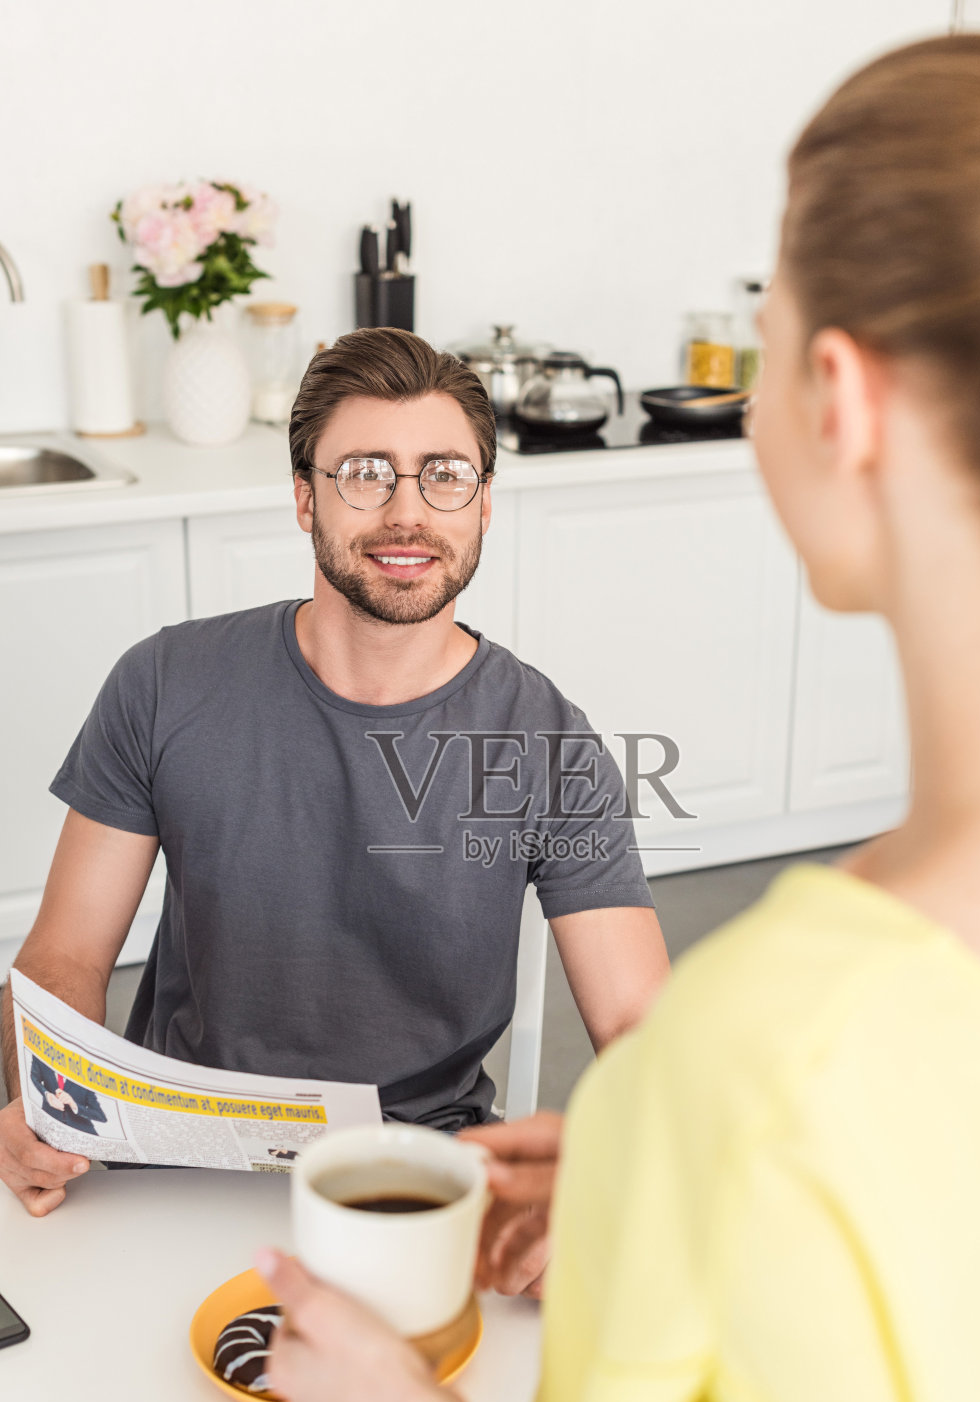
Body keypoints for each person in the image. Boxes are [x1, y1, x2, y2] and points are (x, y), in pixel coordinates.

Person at [254, 33, 980, 1402]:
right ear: (307, 495)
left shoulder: (778, 1047)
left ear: (836, 400)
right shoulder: (761, 1077)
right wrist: (654, 1163)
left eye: (762, 336)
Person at [0, 329, 669, 1218]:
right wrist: (43, 1104)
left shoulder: (548, 741)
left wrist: (615, 1183)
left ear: (484, 503)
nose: (408, 513)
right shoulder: (163, 683)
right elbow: (66, 953)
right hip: (177, 1150)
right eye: (364, 472)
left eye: (444, 474)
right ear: (305, 499)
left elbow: (640, 1031)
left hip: (417, 1171)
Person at [29, 1058, 106, 1137]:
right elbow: (34, 1076)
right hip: (50, 1127)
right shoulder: (42, 1058)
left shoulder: (85, 1074)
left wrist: (74, 1105)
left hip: (80, 1132)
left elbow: (100, 1116)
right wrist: (46, 1094)